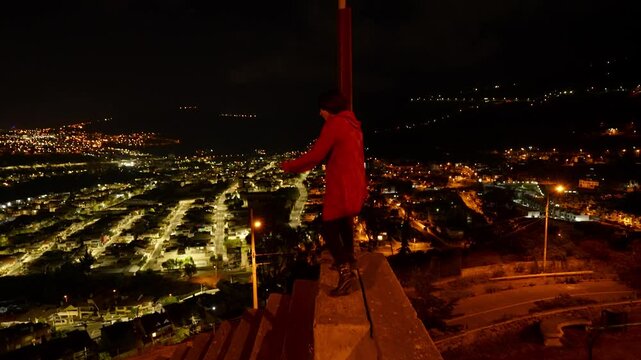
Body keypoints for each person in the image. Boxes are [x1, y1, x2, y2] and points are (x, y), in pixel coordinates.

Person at [281, 91, 367, 296]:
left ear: (329, 109)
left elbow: (316, 155)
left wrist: (289, 166)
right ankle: (350, 259)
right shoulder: (354, 126)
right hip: (355, 183)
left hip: (341, 184)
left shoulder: (335, 124)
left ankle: (345, 272)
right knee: (343, 221)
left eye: (322, 109)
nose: (320, 113)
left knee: (328, 226)